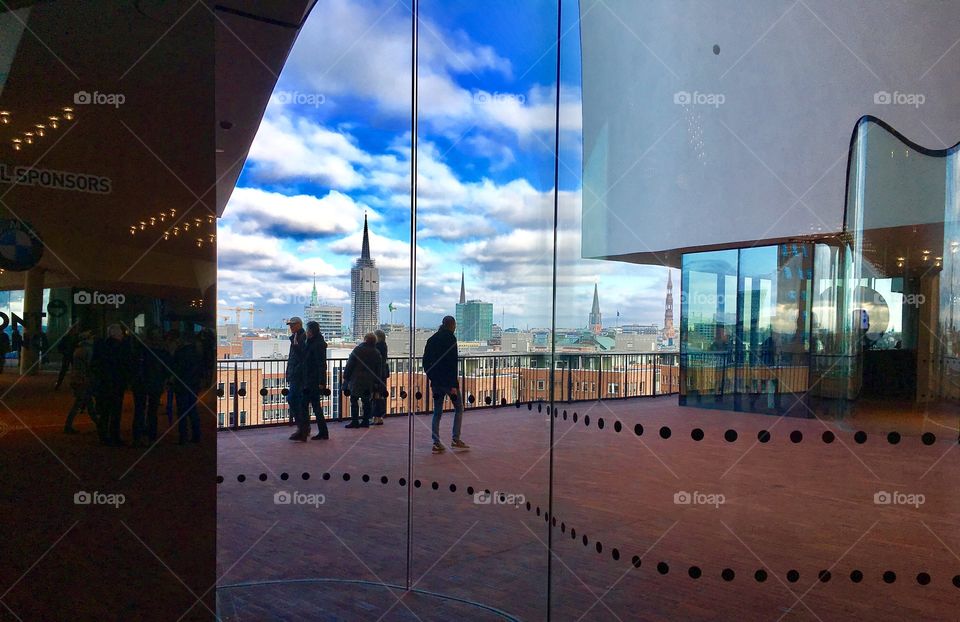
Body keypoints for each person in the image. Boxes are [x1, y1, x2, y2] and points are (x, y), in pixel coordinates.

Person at [422, 316, 469, 453]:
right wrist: (454, 385)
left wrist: (432, 376)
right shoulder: (451, 339)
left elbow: (426, 362)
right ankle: (455, 439)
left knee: (437, 412)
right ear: (452, 325)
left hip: (436, 382)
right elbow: (452, 363)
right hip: (449, 383)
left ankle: (436, 442)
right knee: (459, 408)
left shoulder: (431, 339)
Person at [91, 324, 132, 446]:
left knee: (104, 412)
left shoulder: (101, 346)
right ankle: (114, 436)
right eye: (120, 334)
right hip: (116, 383)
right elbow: (125, 365)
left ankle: (103, 435)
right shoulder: (121, 348)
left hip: (103, 383)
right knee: (115, 412)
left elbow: (95, 365)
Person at [131, 326, 171, 447]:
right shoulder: (162, 351)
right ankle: (150, 436)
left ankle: (138, 437)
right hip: (154, 383)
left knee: (140, 410)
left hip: (142, 383)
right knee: (152, 411)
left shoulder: (141, 350)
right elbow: (167, 368)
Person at [342, 333, 381, 429]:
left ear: (365, 340)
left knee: (354, 400)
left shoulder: (358, 350)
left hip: (356, 379)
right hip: (369, 381)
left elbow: (350, 365)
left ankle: (355, 421)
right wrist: (377, 383)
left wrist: (346, 376)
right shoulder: (376, 352)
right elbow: (379, 369)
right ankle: (365, 421)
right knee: (366, 401)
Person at [172, 330, 203, 444]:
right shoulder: (197, 352)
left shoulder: (180, 352)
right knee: (193, 410)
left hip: (182, 384)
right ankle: (196, 435)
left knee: (182, 411)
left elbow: (176, 368)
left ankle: (183, 436)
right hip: (193, 384)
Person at [64, 330, 97, 434]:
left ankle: (99, 423)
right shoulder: (88, 350)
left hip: (77, 378)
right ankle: (68, 426)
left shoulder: (78, 349)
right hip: (83, 379)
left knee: (87, 402)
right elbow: (90, 365)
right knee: (80, 403)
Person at [303, 321, 329, 440]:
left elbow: (321, 365)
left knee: (309, 405)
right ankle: (321, 431)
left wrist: (321, 382)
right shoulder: (316, 342)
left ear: (311, 332)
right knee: (315, 406)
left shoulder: (316, 344)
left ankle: (307, 430)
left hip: (312, 380)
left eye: (307, 330)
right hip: (312, 380)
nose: (306, 332)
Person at [285, 317, 309, 441]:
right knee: (297, 401)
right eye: (290, 325)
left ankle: (302, 428)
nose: (291, 327)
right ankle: (303, 428)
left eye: (293, 325)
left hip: (298, 376)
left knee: (294, 399)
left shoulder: (301, 337)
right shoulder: (297, 337)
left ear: (299, 325)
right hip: (296, 375)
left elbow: (302, 357)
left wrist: (295, 371)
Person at [371, 329, 389, 425]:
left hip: (377, 374)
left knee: (376, 395)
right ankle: (380, 416)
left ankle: (376, 417)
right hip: (382, 374)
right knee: (380, 395)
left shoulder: (377, 347)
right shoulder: (384, 346)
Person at [54, 324, 79, 389]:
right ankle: (59, 383)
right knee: (64, 370)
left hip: (72, 355)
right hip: (68, 355)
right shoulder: (67, 338)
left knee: (74, 370)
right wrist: (64, 352)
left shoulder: (76, 338)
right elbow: (60, 347)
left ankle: (73, 383)